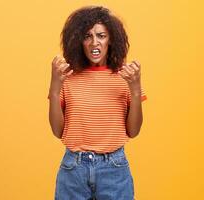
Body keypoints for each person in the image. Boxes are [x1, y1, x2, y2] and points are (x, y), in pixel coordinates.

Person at [48, 6, 146, 200]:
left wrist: (135, 89)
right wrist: (55, 86)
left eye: (101, 36)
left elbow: (133, 132)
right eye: (87, 36)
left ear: (111, 40)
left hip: (114, 168)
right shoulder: (67, 77)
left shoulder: (124, 76)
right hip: (73, 168)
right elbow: (57, 131)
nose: (95, 42)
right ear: (78, 41)